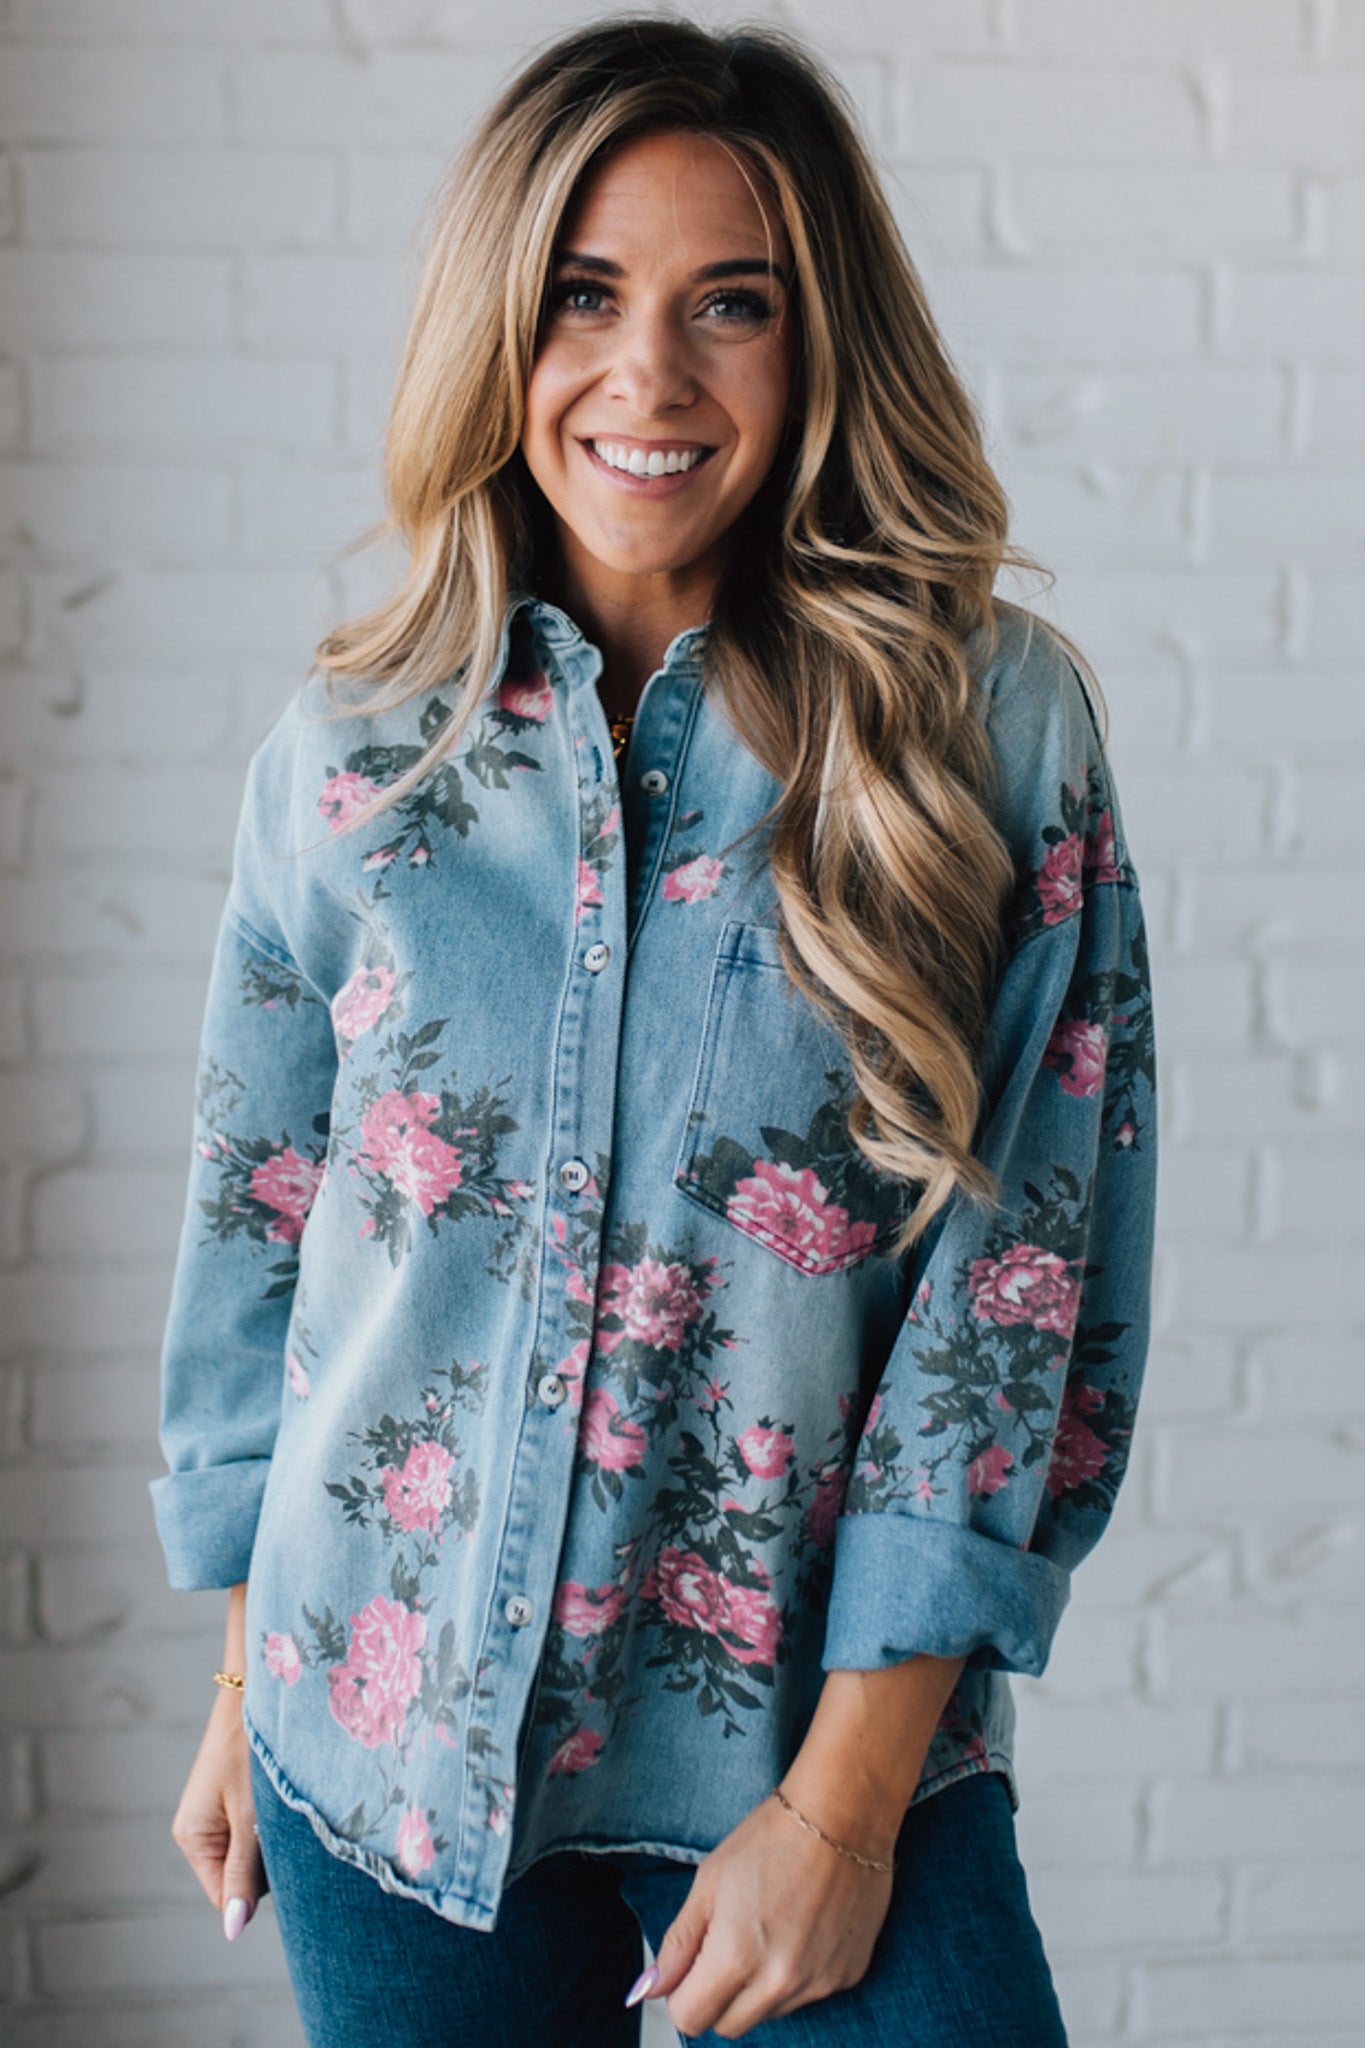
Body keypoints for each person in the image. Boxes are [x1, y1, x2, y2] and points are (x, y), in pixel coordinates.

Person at [149, 17, 1158, 2046]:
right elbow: (269, 1239)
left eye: (732, 306)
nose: (649, 377)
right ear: (499, 322)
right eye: (585, 297)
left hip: (806, 1769)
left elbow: (1015, 1294)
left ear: (817, 344)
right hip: (387, 1764)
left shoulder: (982, 732)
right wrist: (255, 1679)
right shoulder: (348, 755)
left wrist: (842, 1817)